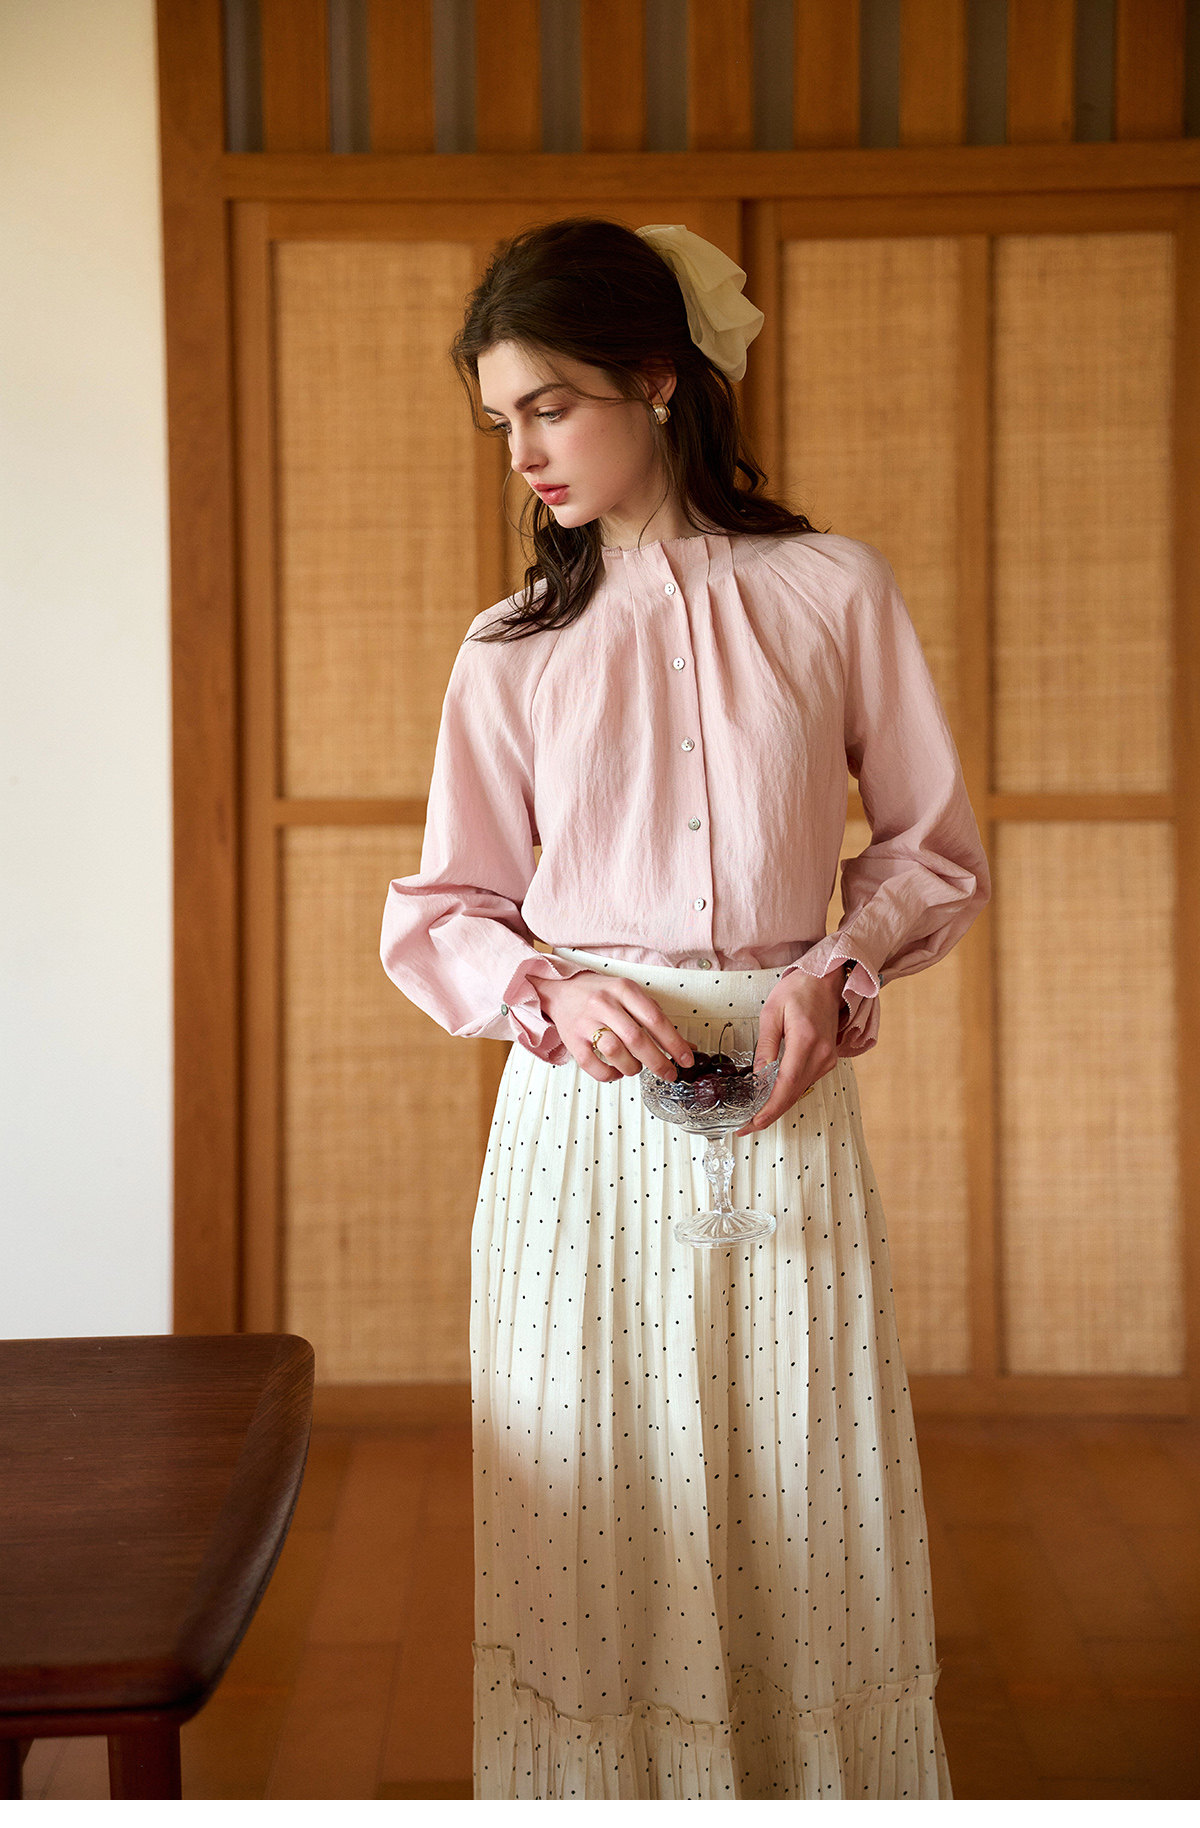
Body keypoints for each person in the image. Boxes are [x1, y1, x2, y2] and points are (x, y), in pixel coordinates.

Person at [380, 217, 990, 1799]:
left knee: (800, 1494)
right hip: (579, 1137)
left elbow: (932, 853)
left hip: (783, 1117)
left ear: (657, 379)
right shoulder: (510, 649)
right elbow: (443, 912)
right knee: (595, 1502)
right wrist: (553, 992)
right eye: (502, 419)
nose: (524, 452)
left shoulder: (831, 590)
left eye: (551, 405)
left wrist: (838, 969)